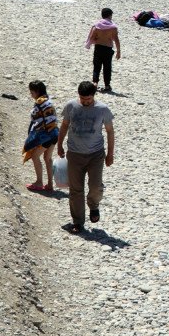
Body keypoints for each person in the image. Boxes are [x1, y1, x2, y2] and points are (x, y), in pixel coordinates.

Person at [56, 81, 115, 234]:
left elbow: (110, 132)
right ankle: (78, 222)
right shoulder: (71, 106)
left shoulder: (102, 109)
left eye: (88, 99)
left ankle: (94, 206)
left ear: (93, 96)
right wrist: (60, 144)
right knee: (76, 190)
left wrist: (110, 154)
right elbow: (64, 125)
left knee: (95, 186)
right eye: (82, 99)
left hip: (96, 154)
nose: (85, 102)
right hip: (74, 154)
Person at [22, 80, 59, 193]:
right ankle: (50, 184)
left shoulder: (39, 103)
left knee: (35, 156)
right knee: (48, 158)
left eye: (32, 92)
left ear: (37, 91)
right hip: (55, 133)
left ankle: (39, 182)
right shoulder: (48, 99)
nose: (31, 94)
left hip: (46, 135)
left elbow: (33, 118)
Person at [86, 8, 120, 92]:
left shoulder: (97, 25)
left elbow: (92, 36)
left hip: (98, 48)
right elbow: (116, 39)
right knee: (107, 67)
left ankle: (95, 83)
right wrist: (118, 51)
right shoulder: (113, 27)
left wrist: (89, 44)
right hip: (108, 49)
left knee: (96, 66)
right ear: (110, 15)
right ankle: (107, 85)